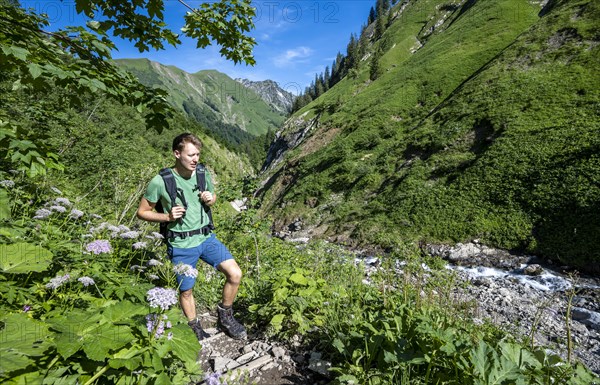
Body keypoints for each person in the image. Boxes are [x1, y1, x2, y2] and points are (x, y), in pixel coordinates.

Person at [137, 133, 246, 340]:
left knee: (235, 274)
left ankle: (225, 316)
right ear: (177, 154)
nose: (195, 159)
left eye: (197, 154)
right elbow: (142, 212)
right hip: (181, 244)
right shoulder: (160, 182)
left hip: (206, 237)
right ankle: (194, 327)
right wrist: (166, 216)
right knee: (186, 291)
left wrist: (210, 199)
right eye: (190, 155)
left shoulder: (203, 173)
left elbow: (213, 197)